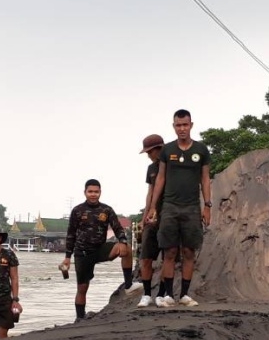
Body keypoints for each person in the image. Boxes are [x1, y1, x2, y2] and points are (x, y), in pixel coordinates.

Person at [145, 109, 211, 307]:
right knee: (170, 252)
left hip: (191, 207)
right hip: (170, 207)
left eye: (185, 125)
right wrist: (153, 208)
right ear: (173, 126)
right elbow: (161, 179)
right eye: (178, 125)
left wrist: (207, 206)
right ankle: (168, 296)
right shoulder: (168, 150)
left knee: (189, 251)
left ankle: (184, 294)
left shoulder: (201, 150)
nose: (182, 129)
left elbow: (205, 178)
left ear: (191, 125)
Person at [61, 179, 132, 321]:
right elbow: (71, 235)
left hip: (101, 249)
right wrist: (67, 257)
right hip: (82, 253)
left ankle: (129, 284)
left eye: (96, 192)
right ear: (85, 193)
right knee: (82, 288)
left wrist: (123, 241)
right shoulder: (77, 210)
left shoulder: (106, 210)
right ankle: (79, 318)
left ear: (100, 192)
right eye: (90, 192)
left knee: (127, 249)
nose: (93, 194)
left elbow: (118, 228)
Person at [136, 133, 168, 308]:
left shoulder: (174, 165)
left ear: (159, 149)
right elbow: (150, 192)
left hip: (168, 215)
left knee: (167, 258)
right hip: (152, 218)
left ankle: (161, 294)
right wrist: (144, 216)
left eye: (150, 152)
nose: (148, 155)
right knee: (146, 258)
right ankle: (147, 294)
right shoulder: (151, 169)